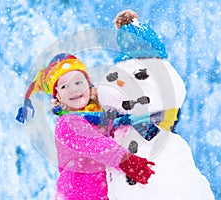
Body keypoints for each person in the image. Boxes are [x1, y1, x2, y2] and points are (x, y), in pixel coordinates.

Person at [16, 53, 155, 200]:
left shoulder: (99, 118)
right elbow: (96, 144)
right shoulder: (67, 123)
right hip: (77, 196)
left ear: (89, 86)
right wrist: (127, 161)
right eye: (64, 86)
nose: (74, 89)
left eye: (78, 82)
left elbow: (114, 128)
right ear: (58, 97)